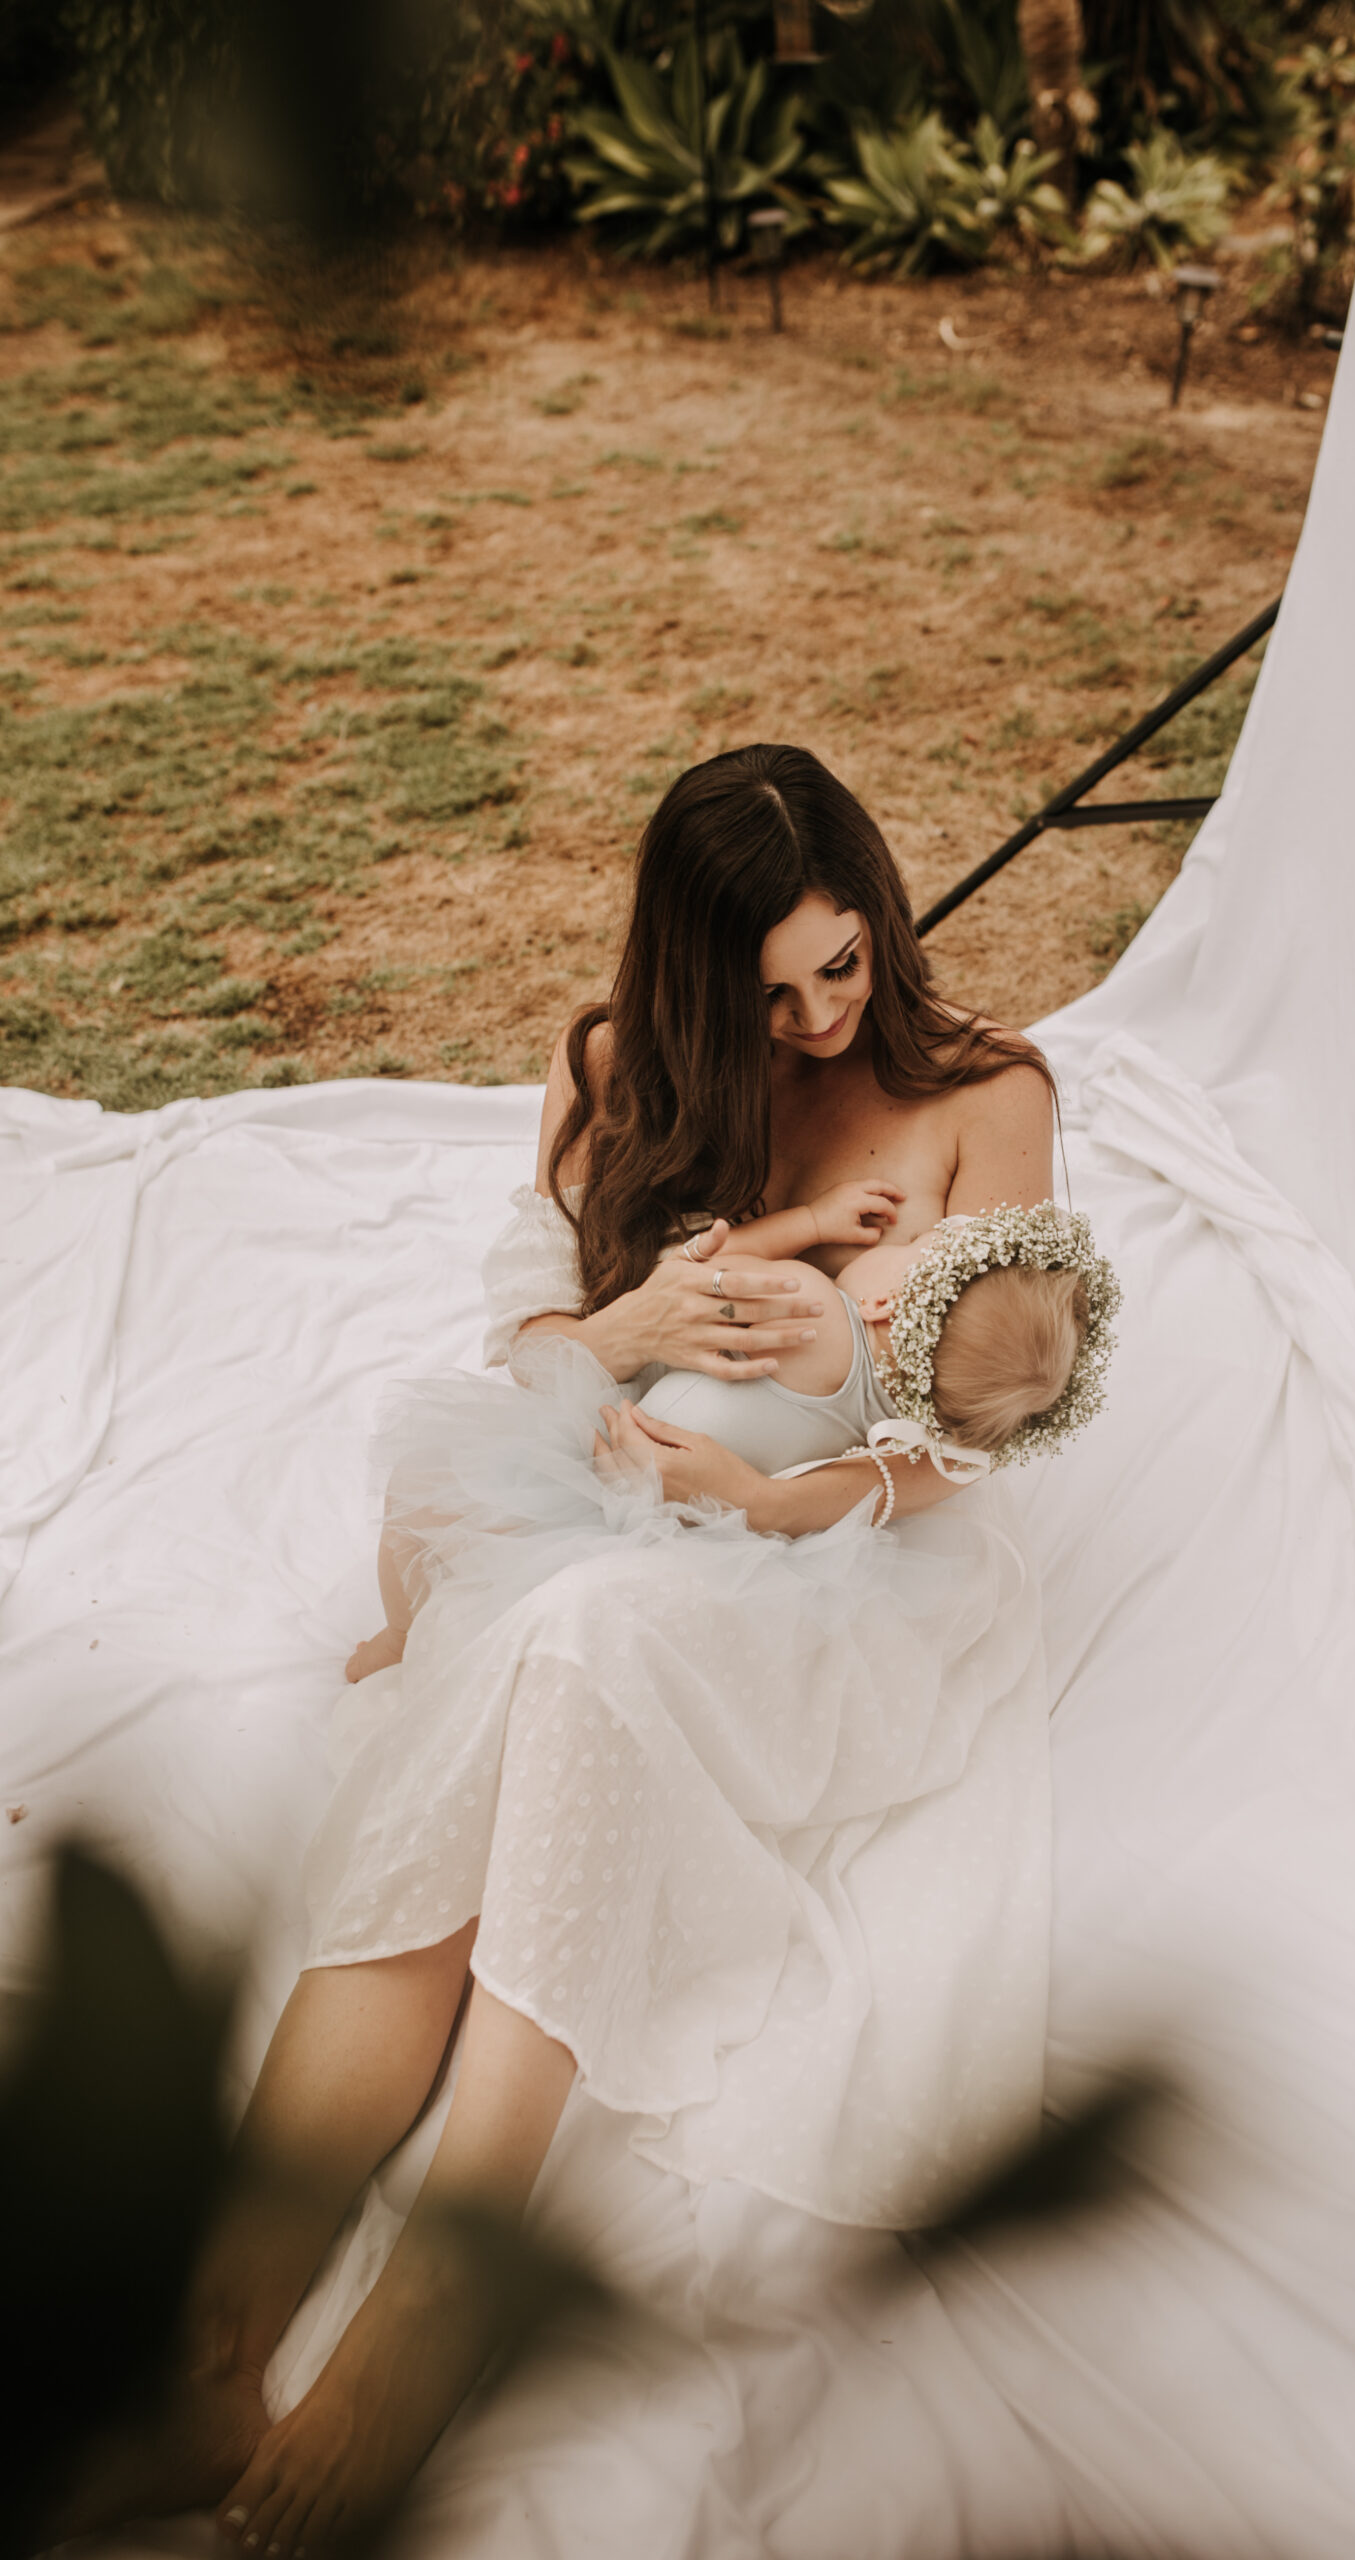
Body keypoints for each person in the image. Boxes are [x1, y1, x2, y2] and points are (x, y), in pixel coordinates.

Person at [69, 743, 1066, 2555]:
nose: (820, 1019)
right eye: (767, 994)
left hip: (821, 1557)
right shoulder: (615, 1069)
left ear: (879, 919)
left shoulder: (983, 1096)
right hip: (602, 1492)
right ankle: (206, 2351)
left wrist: (766, 1505)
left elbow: (973, 1428)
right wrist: (638, 1327)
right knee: (506, 1682)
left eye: (841, 964)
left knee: (577, 1641)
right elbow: (531, 1360)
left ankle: (432, 2306)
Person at [344, 1192, 1116, 1687]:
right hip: (691, 1535)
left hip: (598, 1464)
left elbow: (688, 1274)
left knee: (425, 1485)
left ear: (885, 1299)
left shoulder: (807, 1299)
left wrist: (809, 1224)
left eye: (916, 1248)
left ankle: (399, 1638)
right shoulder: (904, 1432)